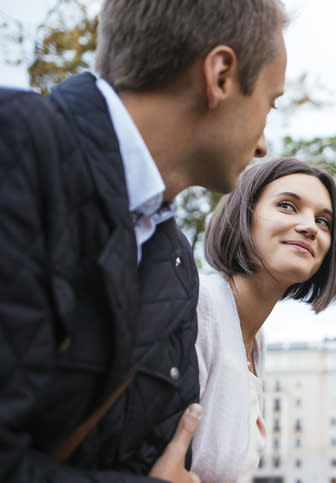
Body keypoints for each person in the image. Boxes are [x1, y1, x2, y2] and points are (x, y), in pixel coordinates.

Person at [0, 0, 287, 481]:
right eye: (269, 103)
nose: (263, 144)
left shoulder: (174, 261)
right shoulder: (17, 151)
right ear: (219, 76)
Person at [191, 158, 336, 482]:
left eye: (324, 221)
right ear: (243, 216)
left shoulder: (255, 343)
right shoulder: (198, 308)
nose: (310, 227)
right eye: (288, 206)